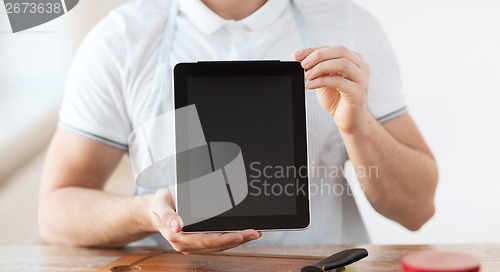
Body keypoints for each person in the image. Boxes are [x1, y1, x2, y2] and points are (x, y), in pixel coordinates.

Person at [38, 0, 438, 252]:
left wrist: (358, 125)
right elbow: (55, 211)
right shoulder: (121, 37)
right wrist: (147, 214)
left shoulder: (350, 25)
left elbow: (417, 209)